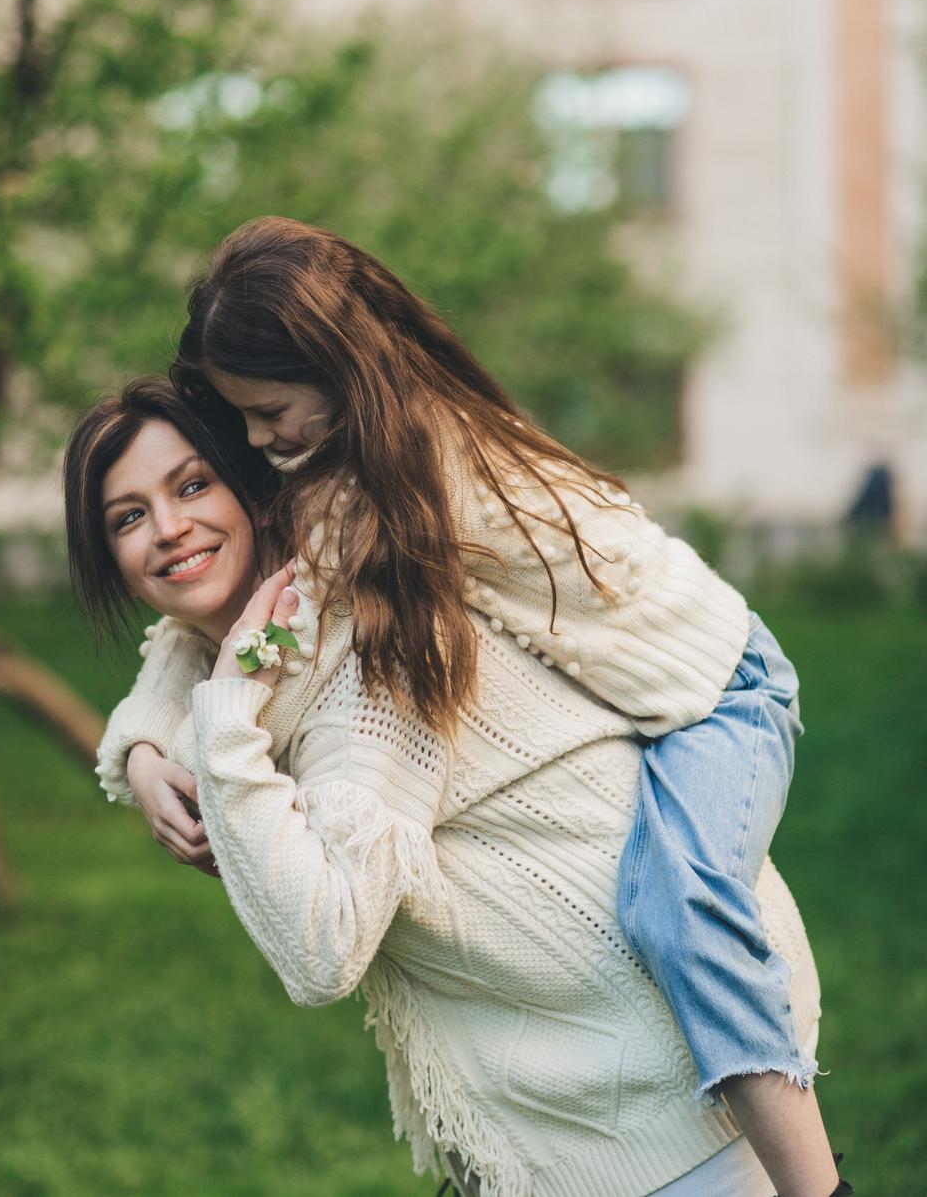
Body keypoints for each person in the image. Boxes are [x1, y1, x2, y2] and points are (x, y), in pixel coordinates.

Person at [90, 217, 852, 1197]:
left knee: (683, 908)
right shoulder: (328, 476)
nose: (258, 438)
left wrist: (221, 718)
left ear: (338, 371)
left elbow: (267, 628)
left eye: (265, 413)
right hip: (557, 1106)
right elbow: (200, 636)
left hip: (717, 687)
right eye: (239, 419)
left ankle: (819, 1185)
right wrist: (147, 746)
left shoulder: (406, 491)